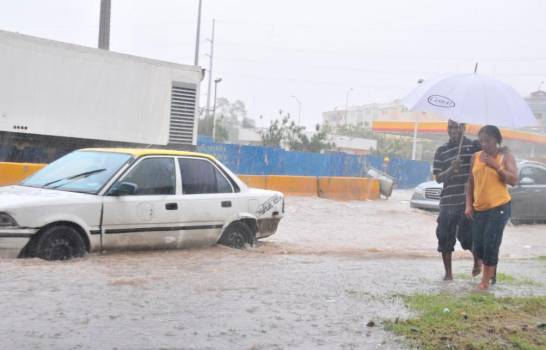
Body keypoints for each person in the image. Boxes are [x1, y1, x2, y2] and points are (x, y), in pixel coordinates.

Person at [465, 125, 518, 291]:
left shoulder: (505, 156)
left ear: (496, 140)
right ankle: (489, 270)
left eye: (487, 141)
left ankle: (485, 282)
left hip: (499, 207)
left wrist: (496, 166)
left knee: (490, 243)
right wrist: (468, 205)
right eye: (481, 141)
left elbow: (513, 180)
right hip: (479, 208)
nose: (484, 144)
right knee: (478, 246)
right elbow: (470, 183)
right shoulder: (475, 157)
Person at [433, 120, 481, 281]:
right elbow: (438, 178)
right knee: (444, 237)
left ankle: (477, 261)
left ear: (464, 128)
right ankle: (448, 274)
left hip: (467, 200)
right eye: (450, 127)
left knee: (467, 237)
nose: (453, 130)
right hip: (447, 201)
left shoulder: (474, 147)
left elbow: (481, 169)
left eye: (457, 127)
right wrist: (450, 169)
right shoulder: (441, 151)